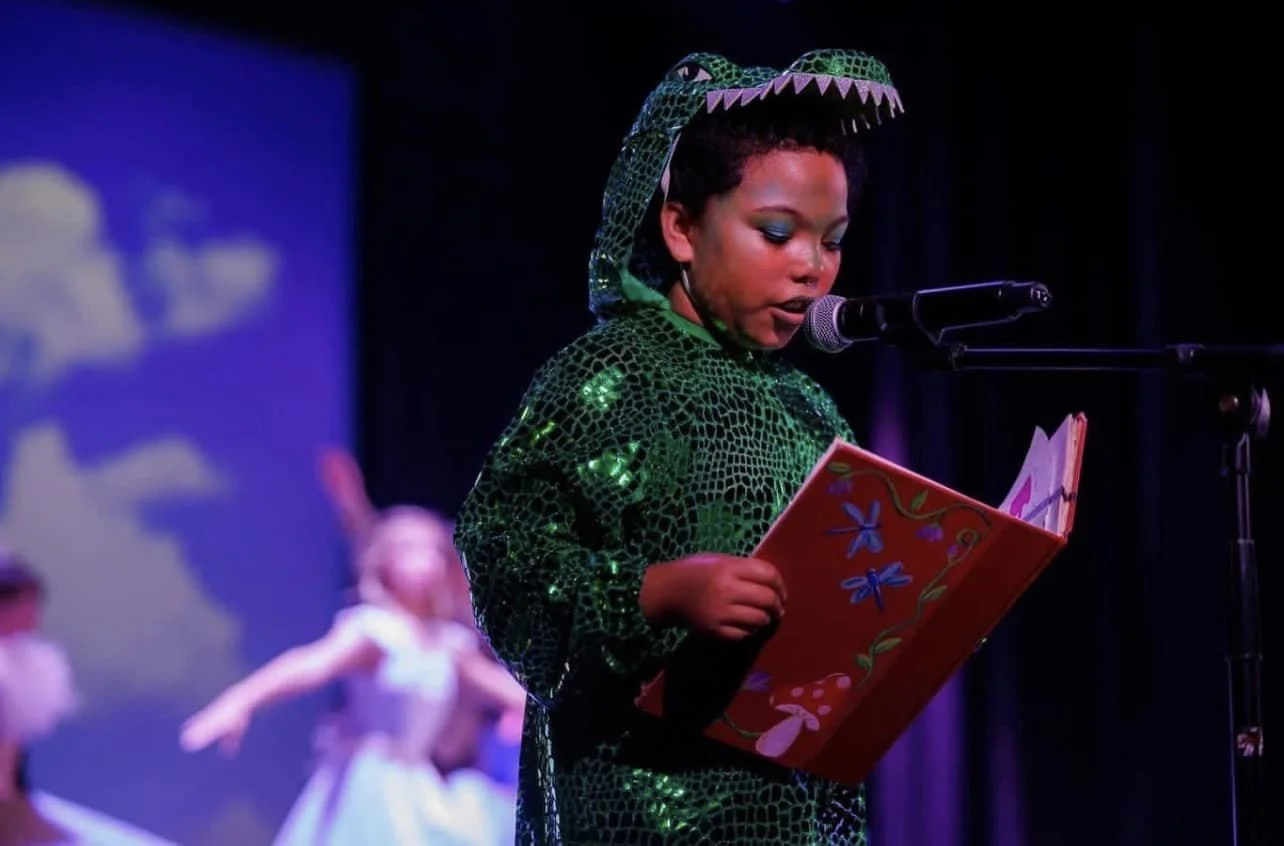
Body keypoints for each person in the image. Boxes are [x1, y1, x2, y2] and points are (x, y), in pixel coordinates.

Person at [453, 48, 905, 845]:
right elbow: (502, 550)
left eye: (832, 242)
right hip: (636, 807)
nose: (811, 267)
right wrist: (657, 592)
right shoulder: (610, 373)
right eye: (776, 232)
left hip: (791, 811)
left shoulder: (813, 412)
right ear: (682, 226)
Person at [179, 506, 526, 845]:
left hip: (416, 782)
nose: (426, 563)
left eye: (434, 551)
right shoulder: (375, 631)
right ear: (384, 561)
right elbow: (310, 664)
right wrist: (240, 701)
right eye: (410, 550)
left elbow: (506, 690)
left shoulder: (449, 643)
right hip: (369, 780)